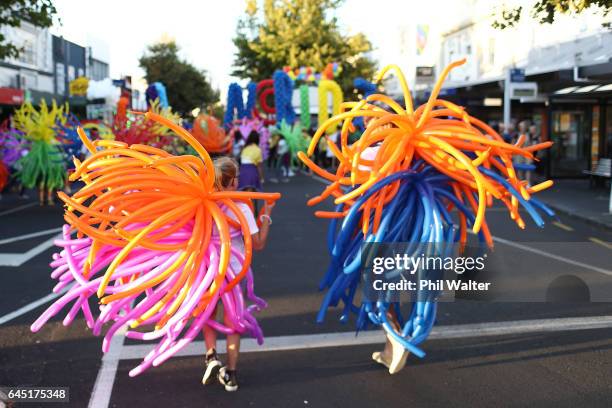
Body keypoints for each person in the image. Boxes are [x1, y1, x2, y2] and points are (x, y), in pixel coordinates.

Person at [202, 157, 275, 391]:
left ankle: (212, 357)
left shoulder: (202, 205)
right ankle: (231, 374)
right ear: (232, 181)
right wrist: (266, 216)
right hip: (234, 271)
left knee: (208, 314)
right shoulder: (242, 208)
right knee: (233, 320)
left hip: (208, 268)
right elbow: (259, 243)